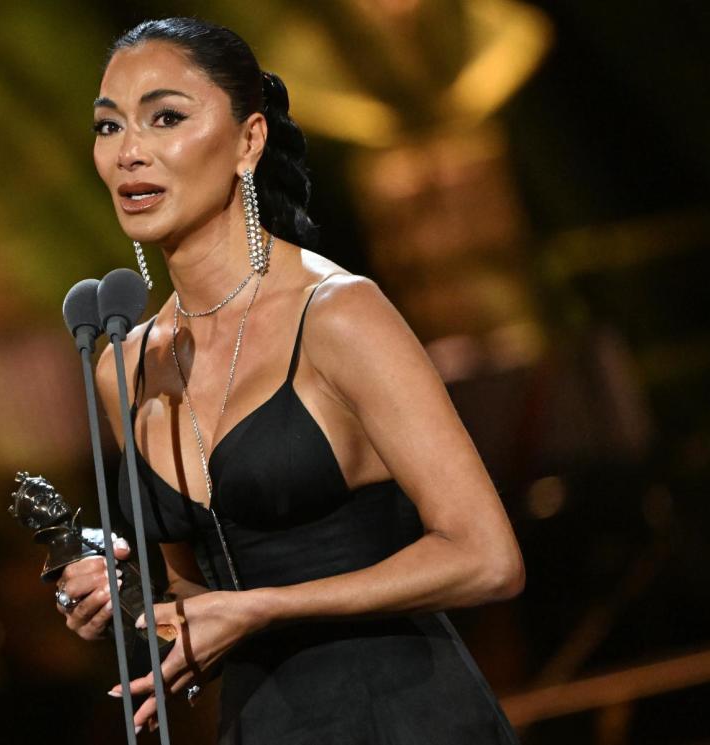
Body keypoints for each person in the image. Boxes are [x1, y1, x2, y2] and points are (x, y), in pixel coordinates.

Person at [54, 17, 525, 744]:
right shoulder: (126, 367)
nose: (130, 154)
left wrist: (264, 606)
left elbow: (487, 557)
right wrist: (130, 598)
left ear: (248, 141)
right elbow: (199, 595)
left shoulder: (339, 314)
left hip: (406, 717)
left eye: (166, 118)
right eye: (109, 127)